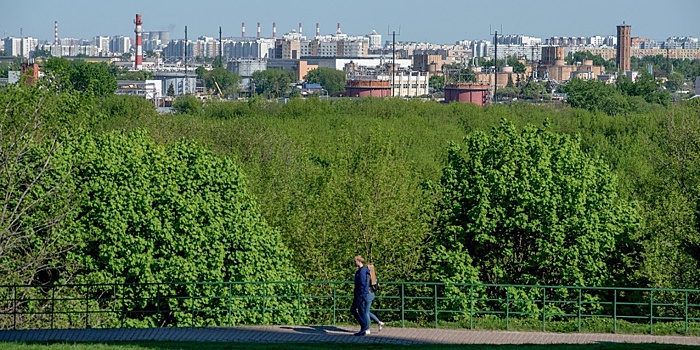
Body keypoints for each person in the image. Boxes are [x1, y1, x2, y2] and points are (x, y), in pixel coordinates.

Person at [351, 255, 374, 336]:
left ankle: (364, 326)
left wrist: (359, 293)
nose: (354, 263)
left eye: (355, 261)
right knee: (361, 310)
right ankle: (363, 329)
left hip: (360, 294)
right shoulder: (363, 270)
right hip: (362, 293)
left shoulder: (362, 271)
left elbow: (362, 283)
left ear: (359, 261)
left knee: (353, 310)